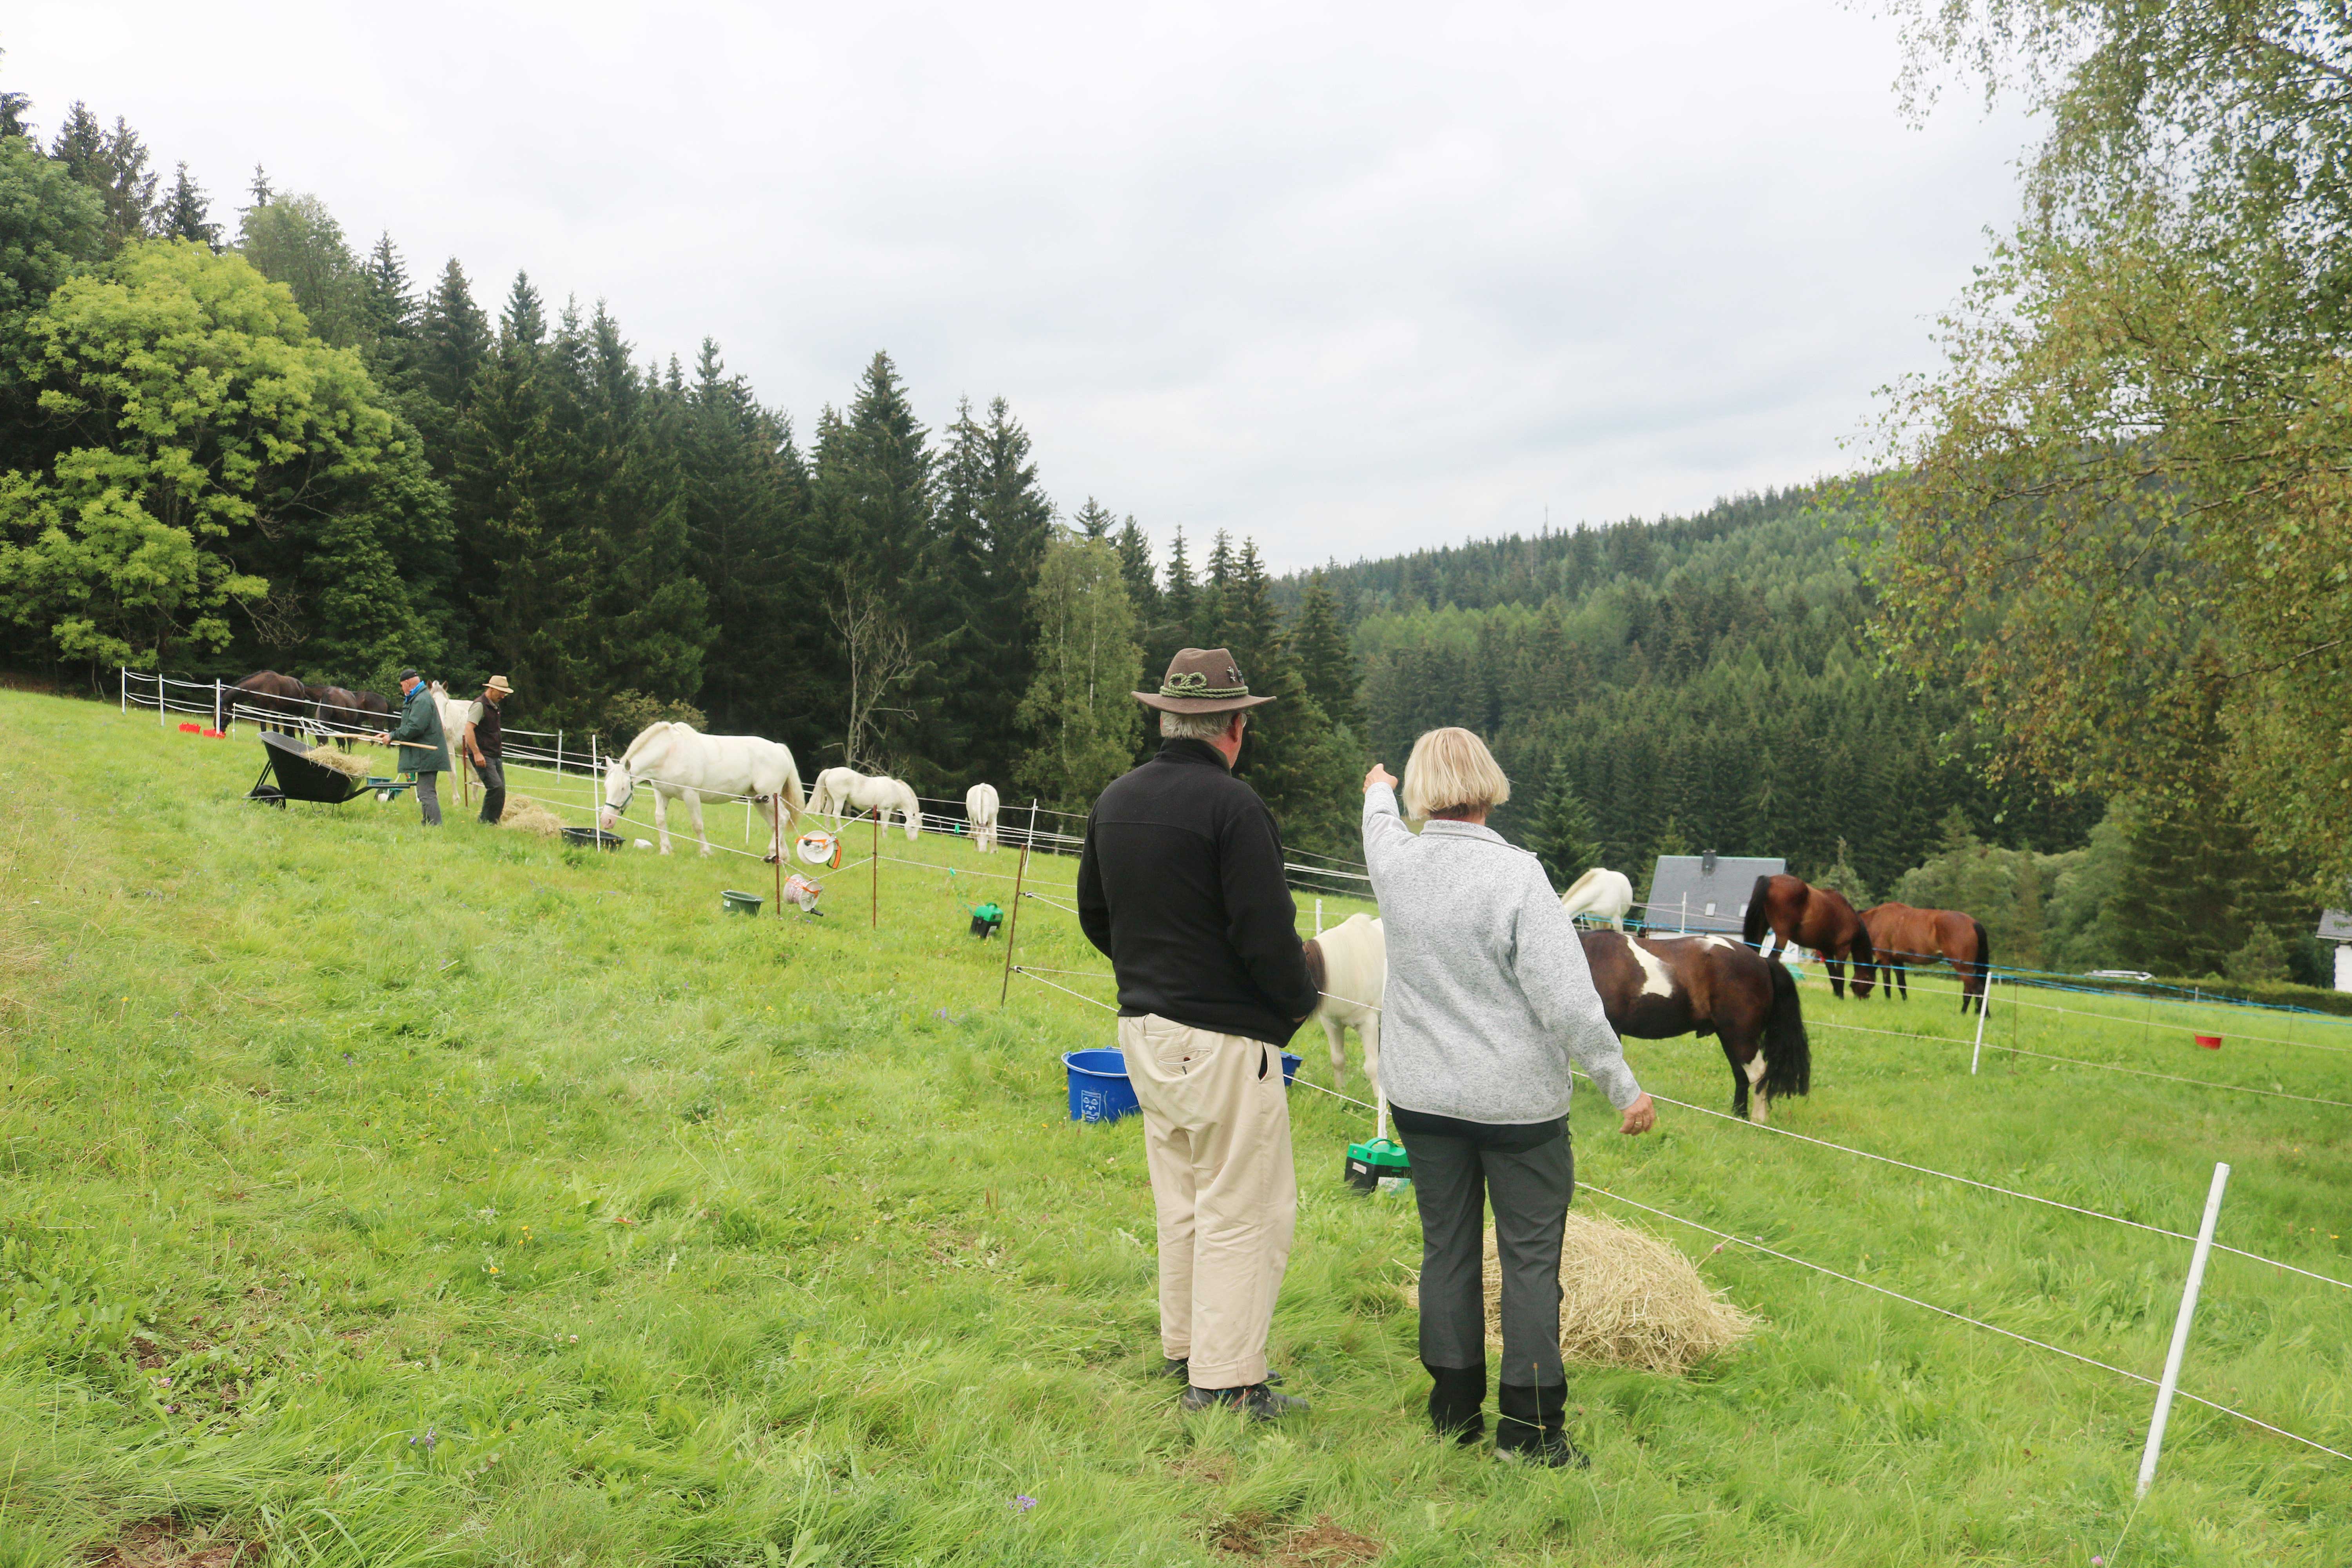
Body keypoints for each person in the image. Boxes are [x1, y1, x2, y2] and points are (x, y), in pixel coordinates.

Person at [1361, 727, 1657, 1467]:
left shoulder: (1395, 862)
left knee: (1447, 1249)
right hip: (1519, 1112)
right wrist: (1624, 1087)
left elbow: (1377, 825)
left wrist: (1378, 789)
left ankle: (1453, 1409)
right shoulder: (1520, 877)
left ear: (1426, 788)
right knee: (1530, 1262)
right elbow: (1569, 1003)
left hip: (1423, 1104)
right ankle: (1528, 1434)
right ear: (1489, 785)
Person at [1078, 647, 1322, 1423]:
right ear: (1237, 726)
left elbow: (1095, 913)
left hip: (1142, 1029)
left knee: (1181, 1195)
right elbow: (1267, 936)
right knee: (1244, 1207)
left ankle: (1187, 1345)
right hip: (1221, 1039)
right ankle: (1225, 1382)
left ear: (1165, 716)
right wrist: (1292, 1007)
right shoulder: (1235, 810)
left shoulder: (1115, 799)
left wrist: (1151, 974)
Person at [374, 668, 449, 827]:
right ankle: (427, 824)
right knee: (425, 791)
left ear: (407, 683)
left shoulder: (421, 700)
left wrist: (393, 736)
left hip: (428, 753)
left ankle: (436, 826)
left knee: (426, 792)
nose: (402, 689)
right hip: (425, 753)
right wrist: (390, 735)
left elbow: (415, 727)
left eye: (402, 685)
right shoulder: (418, 697)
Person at [465, 675, 513, 825]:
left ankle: (493, 822)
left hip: (495, 754)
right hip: (483, 755)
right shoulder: (480, 705)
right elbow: (469, 729)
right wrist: (477, 753)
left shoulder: (494, 706)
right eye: (501, 692)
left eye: (505, 693)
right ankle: (484, 821)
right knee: (495, 788)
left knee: (501, 790)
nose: (503, 696)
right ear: (491, 689)